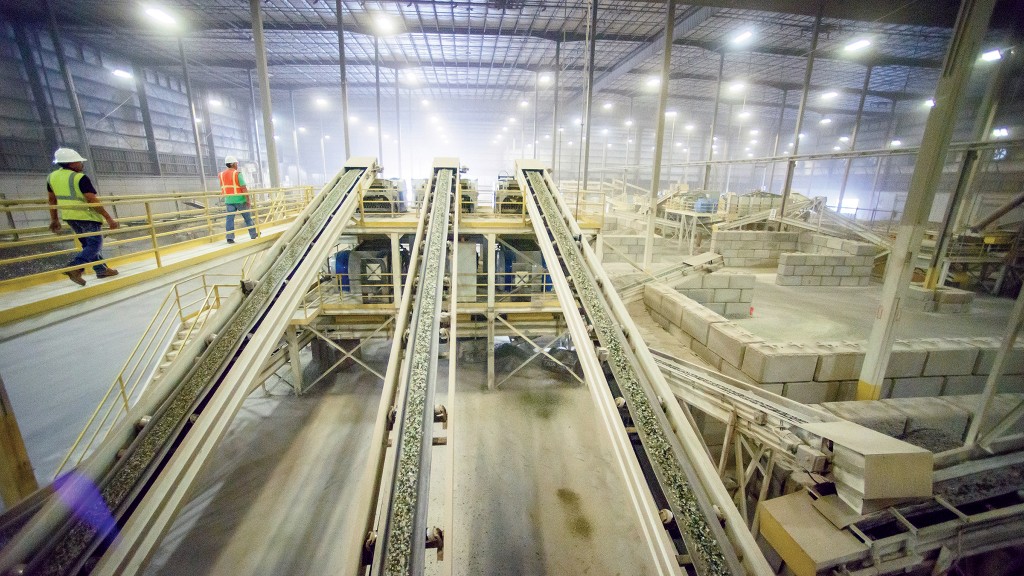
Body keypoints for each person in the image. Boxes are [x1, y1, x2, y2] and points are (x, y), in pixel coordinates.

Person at [47, 148, 120, 286]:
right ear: (72, 163)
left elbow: (52, 200)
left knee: (88, 245)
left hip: (69, 216)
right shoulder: (80, 178)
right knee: (95, 244)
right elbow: (92, 200)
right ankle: (76, 267)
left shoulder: (52, 177)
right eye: (79, 161)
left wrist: (55, 219)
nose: (82, 164)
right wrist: (109, 218)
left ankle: (101, 269)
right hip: (86, 215)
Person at [219, 155, 258, 244]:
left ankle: (230, 237)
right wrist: (248, 199)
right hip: (240, 200)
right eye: (236, 163)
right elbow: (243, 188)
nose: (237, 165)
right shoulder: (237, 174)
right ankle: (253, 234)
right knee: (248, 218)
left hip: (229, 200)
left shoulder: (221, 175)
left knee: (229, 219)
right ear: (233, 164)